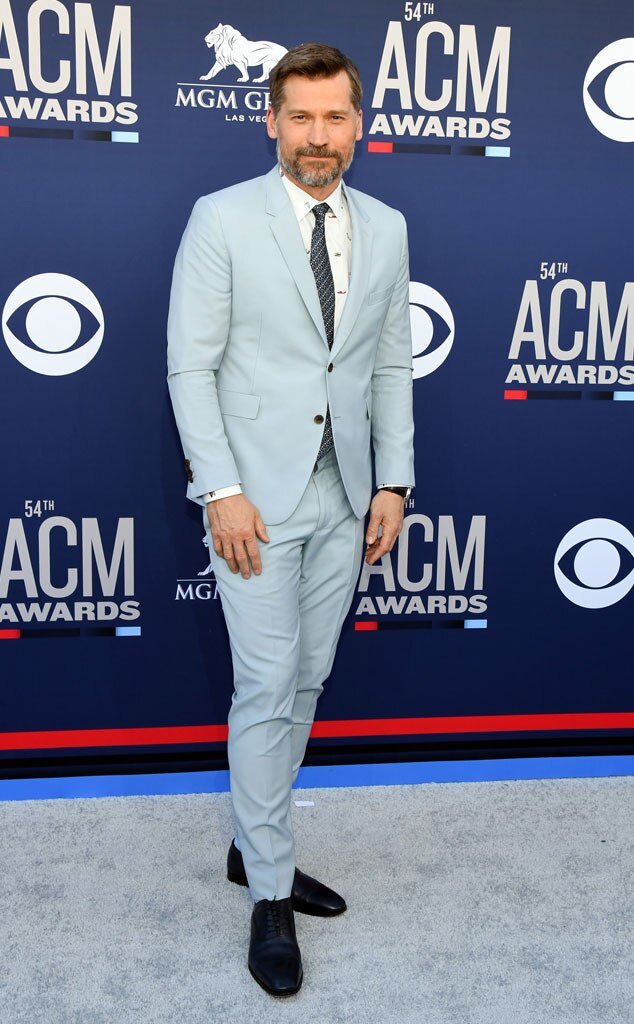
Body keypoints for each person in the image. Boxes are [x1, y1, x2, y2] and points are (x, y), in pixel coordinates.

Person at [167, 42, 415, 996]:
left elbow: (388, 361)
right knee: (269, 683)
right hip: (253, 501)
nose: (320, 136)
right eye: (301, 117)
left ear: (359, 123)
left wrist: (393, 483)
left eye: (336, 117)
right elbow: (192, 366)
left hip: (346, 495)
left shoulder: (388, 228)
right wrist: (219, 490)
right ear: (272, 122)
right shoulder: (222, 219)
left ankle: (248, 840)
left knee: (308, 674)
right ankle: (268, 889)